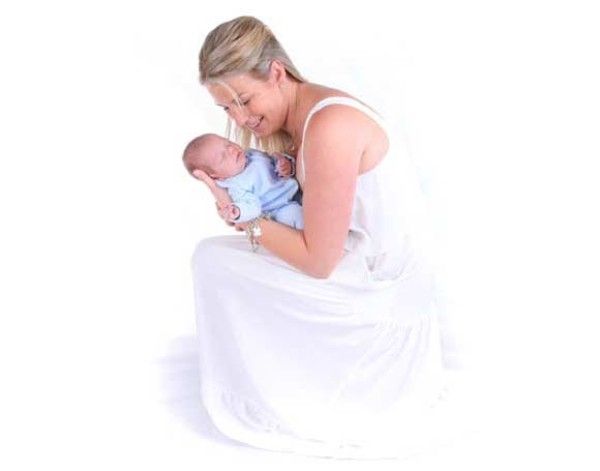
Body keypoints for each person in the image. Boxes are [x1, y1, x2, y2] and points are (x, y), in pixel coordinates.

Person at [189, 16, 461, 460]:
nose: (239, 118)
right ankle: (286, 367)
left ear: (277, 73)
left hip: (381, 295)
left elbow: (319, 262)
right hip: (366, 271)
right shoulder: (307, 116)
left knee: (213, 261)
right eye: (226, 109)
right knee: (216, 258)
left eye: (244, 100)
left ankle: (286, 382)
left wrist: (247, 222)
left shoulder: (329, 127)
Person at [182, 133, 303, 229]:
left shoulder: (251, 154)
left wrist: (285, 164)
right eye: (223, 156)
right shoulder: (236, 186)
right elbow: (252, 207)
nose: (231, 149)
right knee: (294, 215)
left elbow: (273, 159)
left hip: (296, 192)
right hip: (278, 210)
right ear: (216, 177)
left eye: (228, 143)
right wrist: (238, 212)